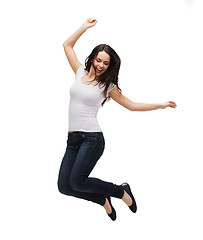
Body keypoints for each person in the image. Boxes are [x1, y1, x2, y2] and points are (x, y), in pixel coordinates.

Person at [57, 17, 177, 221]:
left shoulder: (108, 86)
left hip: (92, 139)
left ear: (110, 65)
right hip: (73, 140)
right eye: (98, 60)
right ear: (93, 58)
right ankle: (102, 200)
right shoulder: (79, 72)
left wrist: (160, 104)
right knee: (64, 187)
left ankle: (121, 192)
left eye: (106, 62)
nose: (101, 65)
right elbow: (67, 45)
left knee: (77, 181)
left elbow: (131, 105)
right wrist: (84, 27)